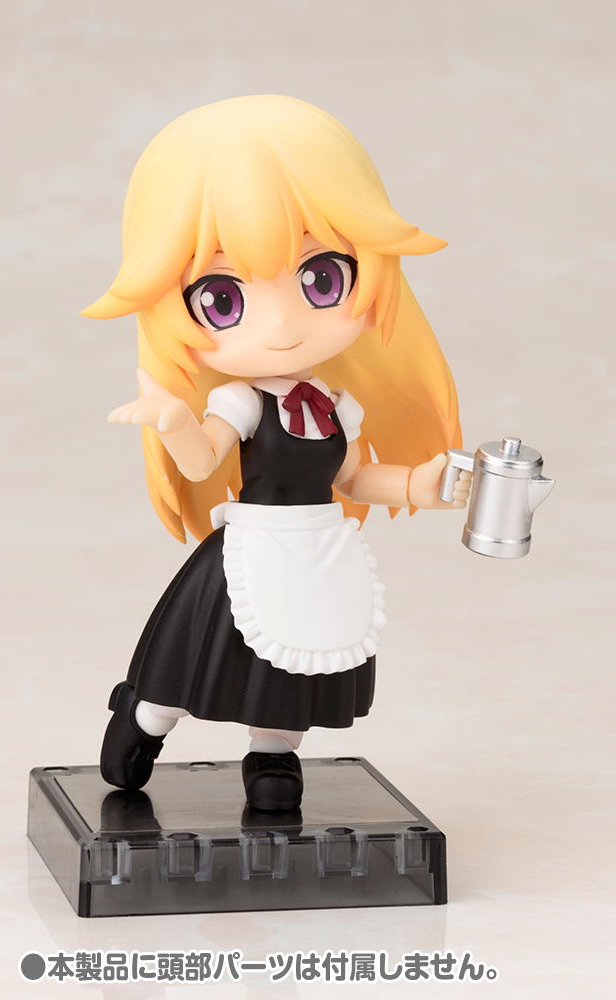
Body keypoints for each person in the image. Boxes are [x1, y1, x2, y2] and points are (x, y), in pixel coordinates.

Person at [82, 95, 470, 811]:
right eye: (223, 299)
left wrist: (421, 483)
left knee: (300, 662)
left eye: (321, 278)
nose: (284, 325)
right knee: (192, 661)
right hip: (251, 549)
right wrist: (173, 419)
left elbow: (354, 475)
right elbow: (203, 463)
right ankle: (144, 718)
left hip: (318, 549)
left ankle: (272, 755)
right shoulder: (239, 402)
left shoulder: (336, 406)